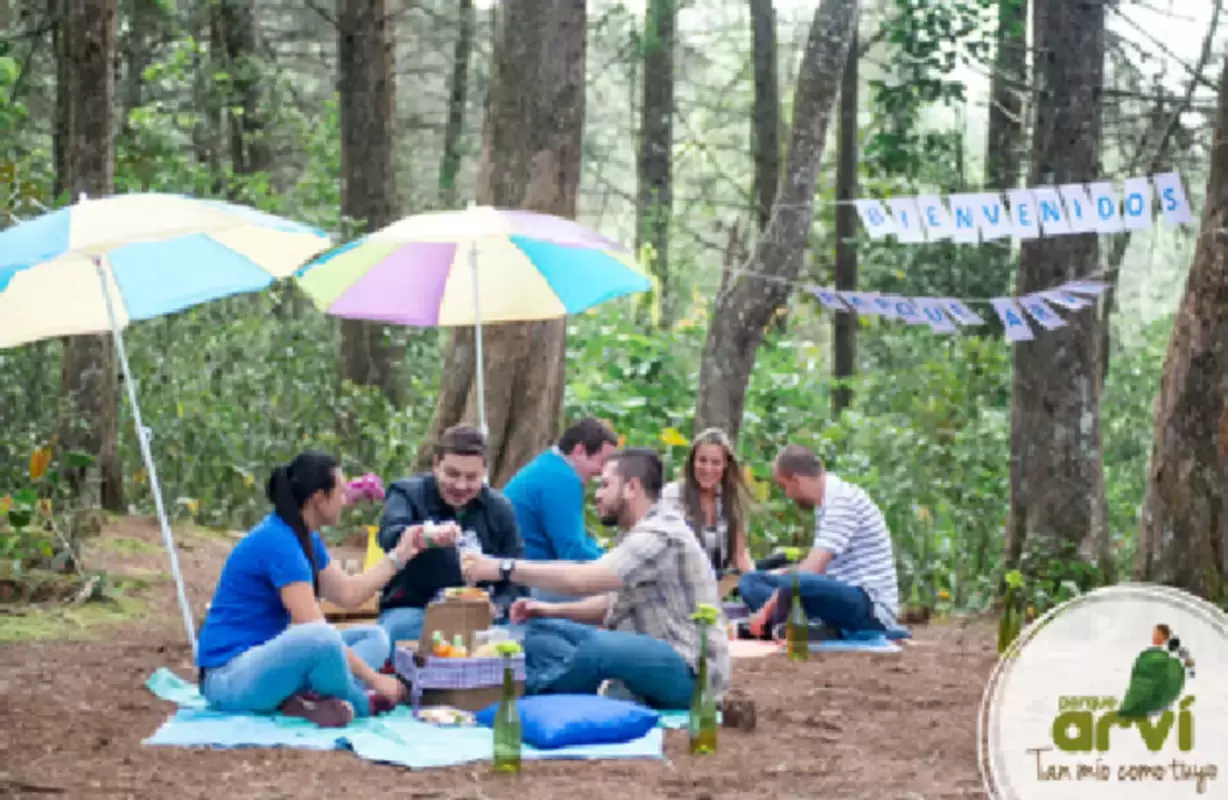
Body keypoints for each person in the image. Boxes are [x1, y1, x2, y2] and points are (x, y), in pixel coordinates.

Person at [461, 447, 730, 710]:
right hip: (650, 655)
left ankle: (520, 690)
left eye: (604, 485)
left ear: (631, 488)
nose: (596, 495)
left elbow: (582, 580)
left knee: (599, 647)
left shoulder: (660, 534)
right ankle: (604, 688)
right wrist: (549, 611)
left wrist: (502, 568)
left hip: (691, 672)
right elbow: (611, 604)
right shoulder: (635, 533)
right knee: (537, 632)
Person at [195, 451, 428, 728]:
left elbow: (348, 593)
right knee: (321, 637)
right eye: (340, 492)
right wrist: (376, 680)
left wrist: (400, 556)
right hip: (228, 680)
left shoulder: (304, 537)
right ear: (319, 499)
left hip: (267, 669)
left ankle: (309, 699)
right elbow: (314, 627)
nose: (345, 501)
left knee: (375, 636)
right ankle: (362, 702)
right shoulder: (278, 542)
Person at [375, 425, 523, 650]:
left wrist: (498, 607)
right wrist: (425, 537)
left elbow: (517, 574)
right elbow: (389, 537)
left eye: (471, 477)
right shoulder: (406, 494)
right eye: (453, 474)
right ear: (436, 465)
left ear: (484, 472)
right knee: (401, 634)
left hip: (483, 616)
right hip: (415, 611)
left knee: (523, 638)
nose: (461, 486)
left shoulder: (499, 509)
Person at [738, 444, 900, 637]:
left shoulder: (842, 501)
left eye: (785, 487)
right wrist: (779, 574)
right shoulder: (826, 504)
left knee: (794, 583)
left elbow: (811, 571)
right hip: (836, 592)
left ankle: (784, 623)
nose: (788, 495)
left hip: (869, 606)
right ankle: (804, 626)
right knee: (751, 581)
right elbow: (818, 570)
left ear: (796, 480)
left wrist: (766, 608)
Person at [660, 427, 755, 574]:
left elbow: (740, 555)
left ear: (725, 465)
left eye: (716, 462)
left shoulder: (730, 499)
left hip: (719, 584)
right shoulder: (673, 495)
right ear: (692, 462)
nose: (708, 468)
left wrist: (755, 580)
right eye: (702, 460)